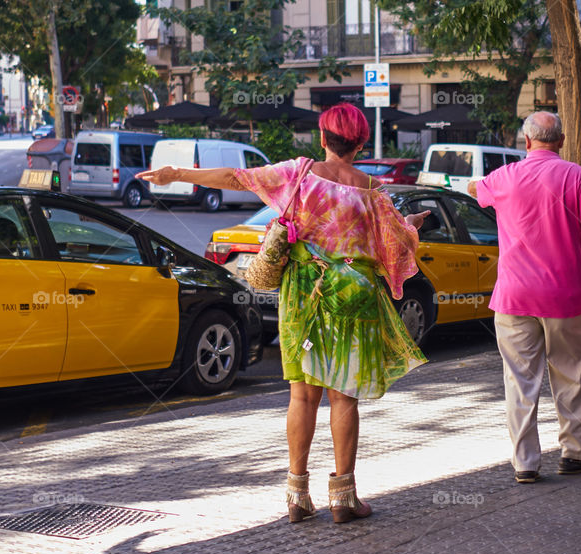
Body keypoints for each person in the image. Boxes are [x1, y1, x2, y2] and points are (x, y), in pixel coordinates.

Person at [138, 103, 430, 524]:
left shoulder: (298, 172)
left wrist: (176, 175)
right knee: (343, 395)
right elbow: (399, 242)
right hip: (354, 297)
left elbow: (234, 178)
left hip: (303, 294)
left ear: (323, 137)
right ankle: (344, 497)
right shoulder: (373, 191)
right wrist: (414, 222)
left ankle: (296, 495)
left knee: (301, 394)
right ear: (362, 143)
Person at [467, 111, 581, 485]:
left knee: (520, 381)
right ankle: (576, 454)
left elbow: (475, 190)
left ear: (526, 142)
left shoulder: (505, 177)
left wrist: (487, 189)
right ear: (560, 141)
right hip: (565, 296)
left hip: (513, 297)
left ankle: (525, 463)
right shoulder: (575, 175)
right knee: (570, 374)